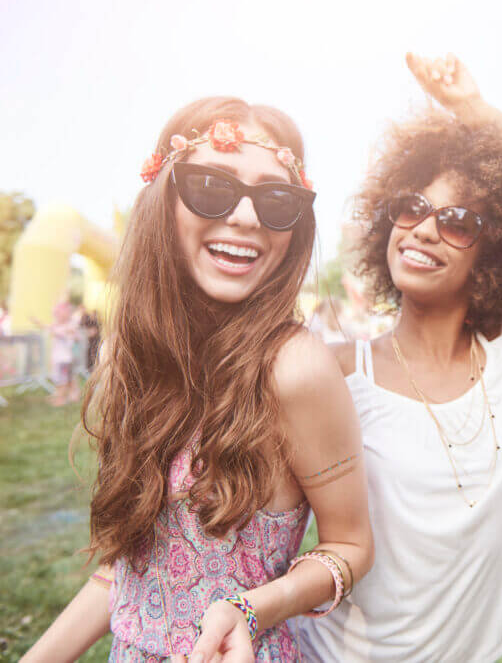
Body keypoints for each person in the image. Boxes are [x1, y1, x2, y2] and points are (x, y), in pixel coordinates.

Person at [24, 97, 373, 662]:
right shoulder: (127, 358)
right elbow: (126, 576)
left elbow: (352, 545)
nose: (246, 217)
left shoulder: (294, 368)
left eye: (277, 200)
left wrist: (256, 606)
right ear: (163, 201)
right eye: (211, 186)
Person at [292, 53, 502, 661]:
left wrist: (471, 109)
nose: (425, 229)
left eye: (458, 220)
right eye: (411, 207)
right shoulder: (333, 371)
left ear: (499, 251)